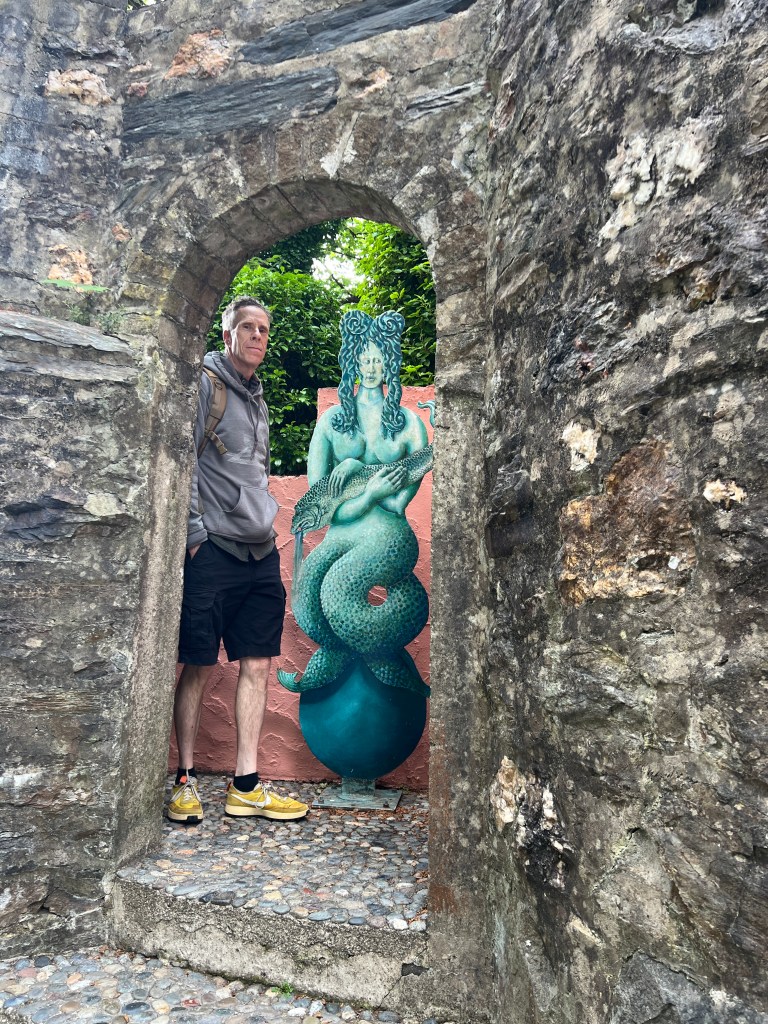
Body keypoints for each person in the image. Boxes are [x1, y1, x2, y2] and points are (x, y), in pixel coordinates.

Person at [166, 295, 308, 824]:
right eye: (247, 327)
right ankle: (183, 780)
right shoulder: (207, 384)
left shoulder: (258, 398)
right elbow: (182, 460)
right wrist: (194, 534)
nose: (256, 336)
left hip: (260, 551)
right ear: (227, 335)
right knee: (198, 663)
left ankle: (245, 785)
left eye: (264, 329)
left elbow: (254, 470)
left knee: (258, 663)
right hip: (214, 549)